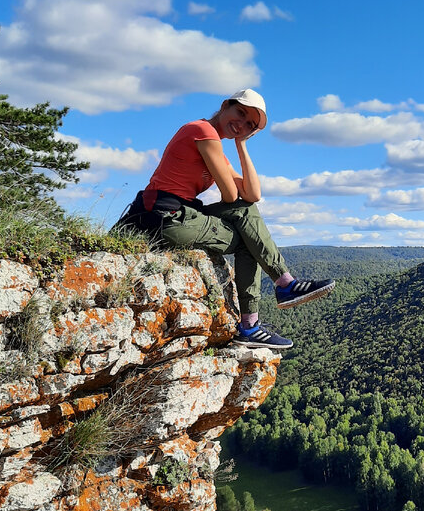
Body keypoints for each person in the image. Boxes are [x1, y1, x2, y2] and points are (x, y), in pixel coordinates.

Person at [116, 88, 334, 349]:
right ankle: (266, 305)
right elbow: (231, 196)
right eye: (240, 113)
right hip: (166, 217)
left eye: (249, 125)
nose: (241, 124)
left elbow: (253, 193)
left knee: (247, 215)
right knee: (246, 236)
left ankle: (276, 294)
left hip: (170, 215)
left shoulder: (215, 145)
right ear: (225, 105)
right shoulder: (203, 131)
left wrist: (240, 144)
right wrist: (236, 150)